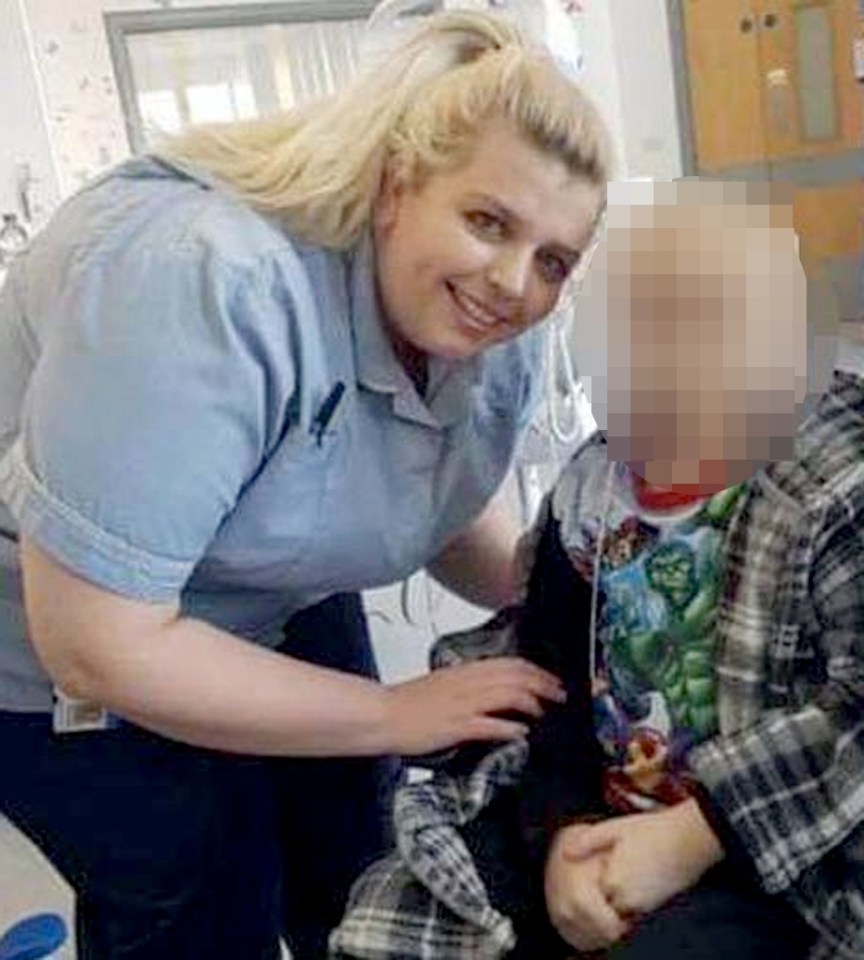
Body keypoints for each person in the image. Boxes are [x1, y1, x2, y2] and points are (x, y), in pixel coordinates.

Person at [0, 11, 612, 960]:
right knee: (202, 898)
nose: (512, 281)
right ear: (396, 185)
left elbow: (436, 487)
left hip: (272, 591)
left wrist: (588, 595)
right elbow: (97, 647)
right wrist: (392, 713)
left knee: (359, 868)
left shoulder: (498, 319)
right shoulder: (203, 281)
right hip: (65, 650)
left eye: (553, 261)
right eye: (487, 221)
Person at [331, 180, 864, 960]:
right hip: (602, 818)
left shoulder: (837, 485)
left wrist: (696, 832)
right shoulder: (592, 493)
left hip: (781, 854)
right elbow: (552, 689)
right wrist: (565, 836)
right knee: (396, 914)